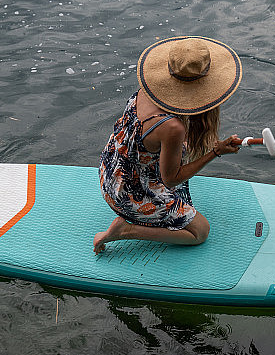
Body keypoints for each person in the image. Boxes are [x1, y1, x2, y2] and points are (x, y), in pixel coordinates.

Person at [94, 36, 243, 254]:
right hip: (127, 193)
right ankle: (126, 230)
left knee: (179, 151)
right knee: (199, 232)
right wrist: (216, 152)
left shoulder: (150, 90)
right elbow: (171, 179)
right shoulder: (172, 128)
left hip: (111, 171)